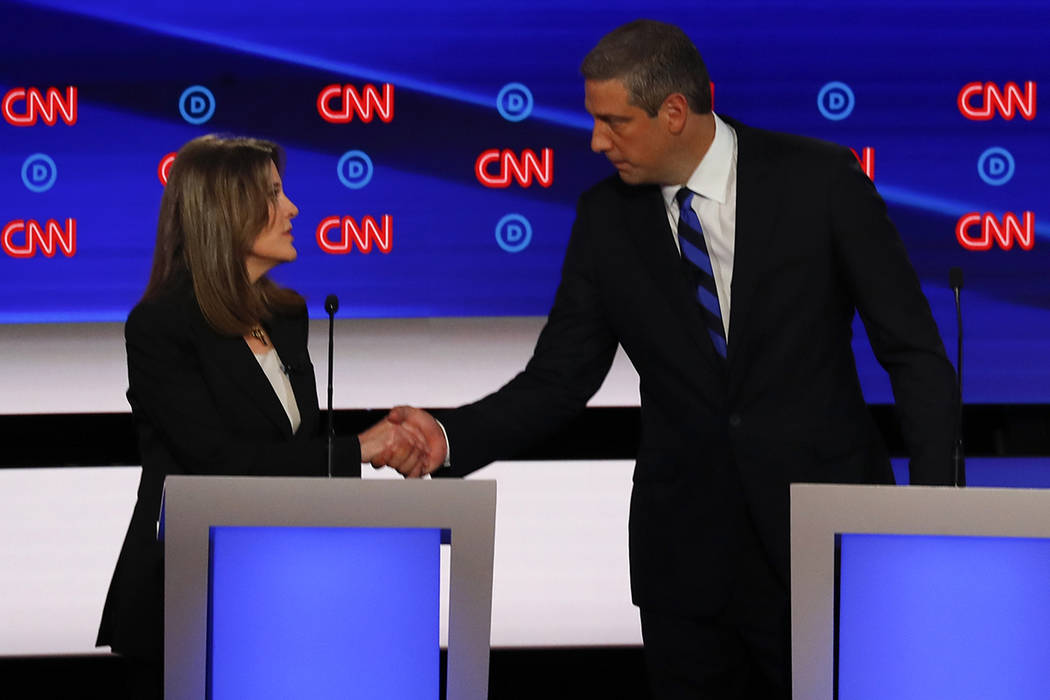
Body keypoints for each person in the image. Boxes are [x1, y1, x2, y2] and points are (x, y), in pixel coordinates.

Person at [380, 19, 957, 699]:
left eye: (614, 121)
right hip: (684, 565)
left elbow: (913, 353)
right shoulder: (605, 217)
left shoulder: (820, 181)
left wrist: (934, 521)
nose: (597, 141)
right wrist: (449, 436)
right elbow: (561, 377)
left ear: (675, 112)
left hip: (819, 541)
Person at [95, 134, 429, 698]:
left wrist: (378, 442)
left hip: (284, 592)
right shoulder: (160, 327)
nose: (293, 208)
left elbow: (295, 447)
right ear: (225, 209)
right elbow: (218, 463)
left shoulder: (286, 314)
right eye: (273, 193)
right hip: (190, 598)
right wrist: (362, 449)